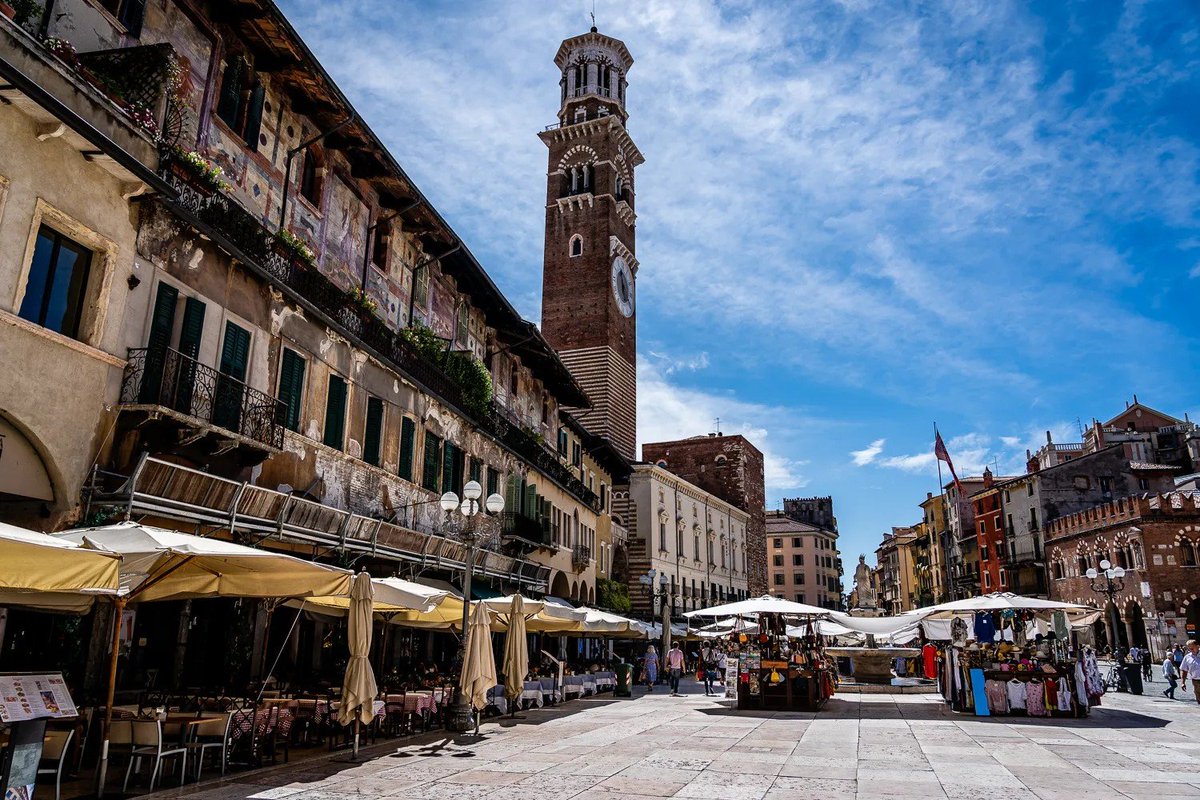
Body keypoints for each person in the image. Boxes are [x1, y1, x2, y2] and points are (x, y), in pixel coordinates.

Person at [1180, 640, 1200, 705]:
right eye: (1189, 649)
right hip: (1196, 681)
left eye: (1192, 648)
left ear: (1198, 646)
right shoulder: (1187, 657)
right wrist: (1183, 683)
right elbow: (1184, 670)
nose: (1191, 650)